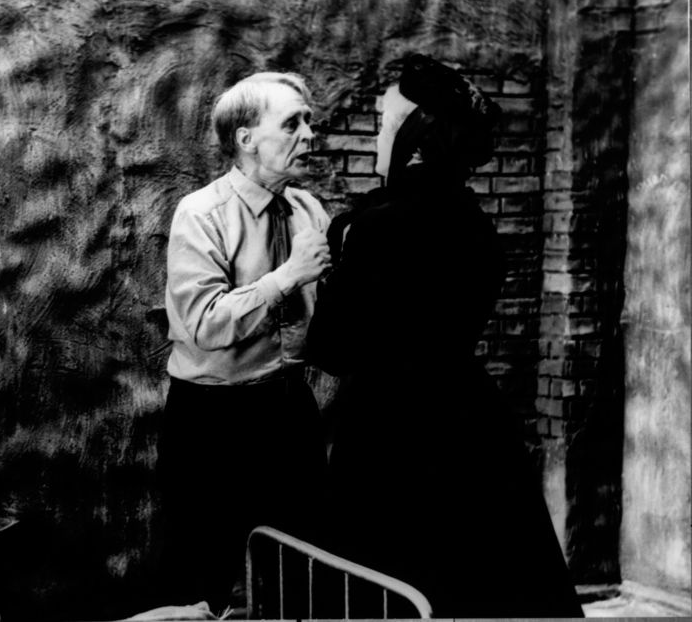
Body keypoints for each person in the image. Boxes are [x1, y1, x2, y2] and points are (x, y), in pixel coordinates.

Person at [307, 54, 584, 618]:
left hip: (389, 430)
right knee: (480, 579)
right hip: (468, 419)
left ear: (415, 137)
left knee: (388, 582)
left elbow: (332, 347)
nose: (378, 136)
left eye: (385, 123)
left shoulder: (377, 227)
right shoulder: (477, 225)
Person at [157, 71, 332, 614]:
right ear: (246, 138)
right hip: (212, 422)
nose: (309, 134)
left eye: (309, 122)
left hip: (289, 409)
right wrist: (289, 276)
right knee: (200, 580)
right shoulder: (200, 213)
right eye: (293, 123)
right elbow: (205, 324)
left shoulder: (309, 210)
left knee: (301, 575)